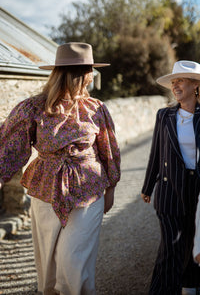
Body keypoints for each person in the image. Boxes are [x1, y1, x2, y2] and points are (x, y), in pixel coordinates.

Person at [0, 42, 121, 295]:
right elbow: (10, 145)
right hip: (45, 192)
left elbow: (108, 150)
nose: (90, 76)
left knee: (73, 263)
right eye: (87, 71)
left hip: (88, 194)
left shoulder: (96, 108)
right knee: (49, 270)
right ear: (76, 74)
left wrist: (110, 188)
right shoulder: (32, 108)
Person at [141, 60, 200, 295]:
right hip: (169, 188)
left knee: (191, 239)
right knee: (171, 246)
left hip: (197, 189)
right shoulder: (164, 115)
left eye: (181, 81)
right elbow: (156, 152)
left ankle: (190, 285)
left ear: (196, 85)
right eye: (173, 82)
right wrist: (148, 186)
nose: (175, 86)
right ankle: (162, 290)